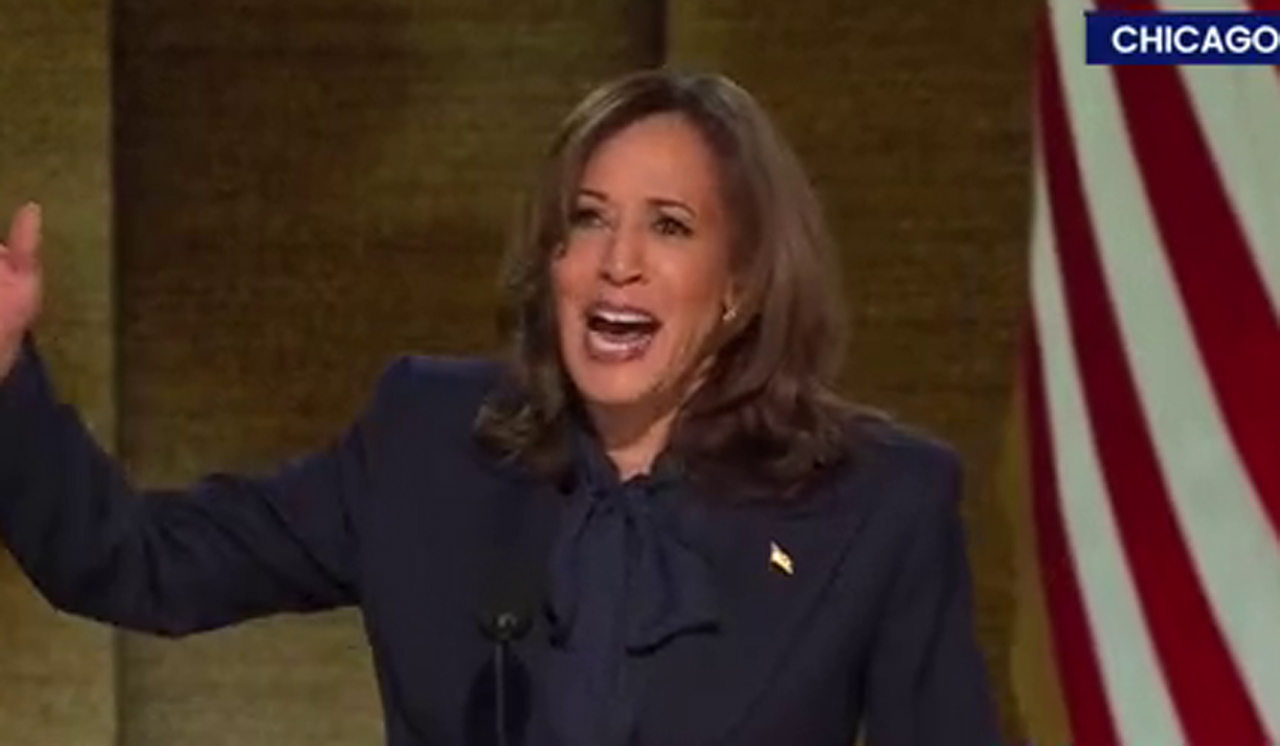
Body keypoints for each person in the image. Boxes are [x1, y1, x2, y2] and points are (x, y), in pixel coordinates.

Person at [0, 70, 999, 745]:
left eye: (669, 227)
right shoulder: (429, 440)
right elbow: (134, 560)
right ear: (553, 258)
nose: (619, 262)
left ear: (737, 283)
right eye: (588, 220)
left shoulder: (877, 503)